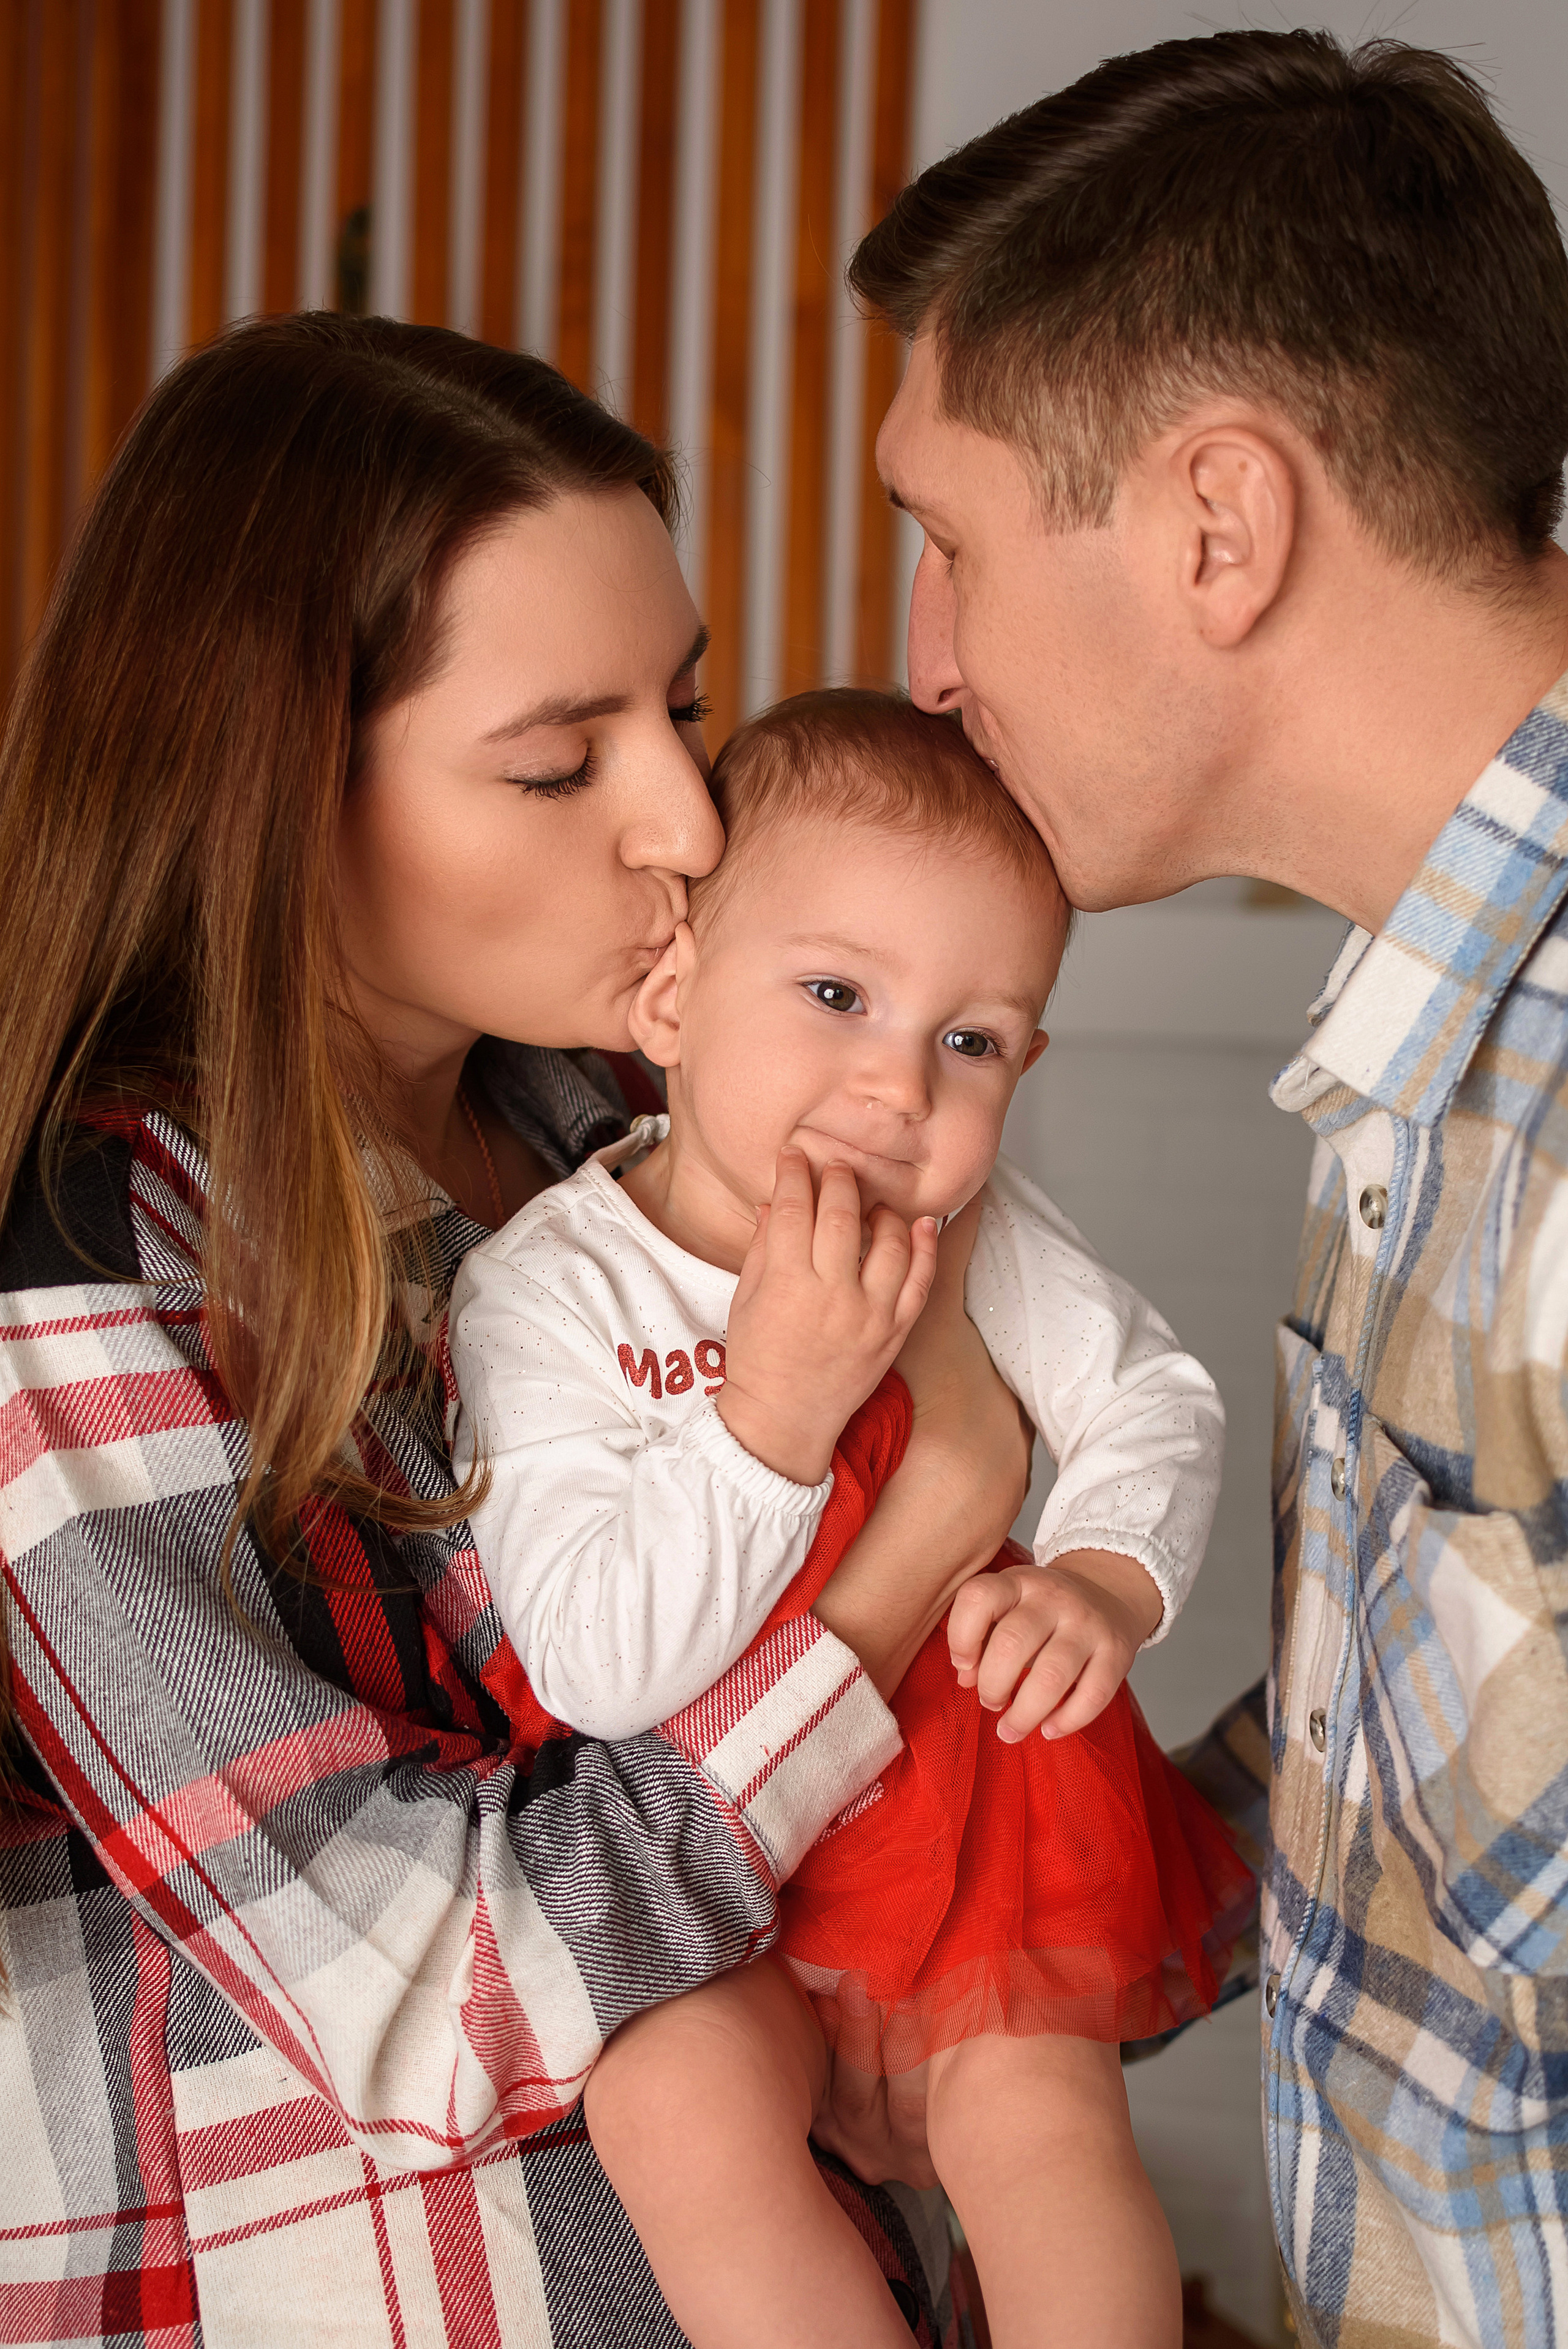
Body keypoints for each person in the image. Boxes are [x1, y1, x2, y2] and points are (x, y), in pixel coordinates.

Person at [0, 316, 1033, 2347]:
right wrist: (920, 1557)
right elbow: (427, 2000)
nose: (686, 818)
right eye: (560, 758)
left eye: (688, 708)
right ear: (276, 783)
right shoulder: (84, 1266)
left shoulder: (638, 1146)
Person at [853, 27, 1568, 2349]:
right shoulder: (1423, 1024)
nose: (925, 663)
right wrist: (969, 1951)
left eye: (948, 542)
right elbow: (1434, 1777)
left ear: (1220, 527)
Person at [450, 687, 1251, 2348]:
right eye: (834, 994)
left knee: (1038, 2121)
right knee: (671, 2103)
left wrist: (1107, 1576)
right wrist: (773, 1417)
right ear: (672, 995)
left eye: (971, 1041)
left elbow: (1151, 1397)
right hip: (712, 1872)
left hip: (975, 1821)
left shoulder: (977, 1234)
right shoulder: (551, 1285)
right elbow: (598, 1664)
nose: (896, 1090)